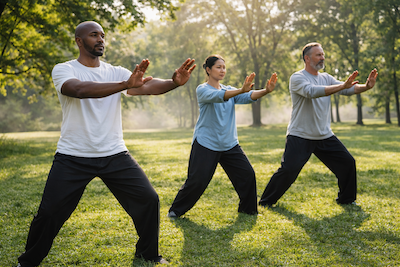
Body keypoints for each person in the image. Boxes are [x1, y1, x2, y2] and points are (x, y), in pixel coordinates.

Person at [17, 21, 196, 267]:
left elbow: (148, 87)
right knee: (49, 213)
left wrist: (173, 82)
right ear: (79, 41)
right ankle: (28, 262)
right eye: (93, 35)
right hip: (73, 156)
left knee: (148, 199)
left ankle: (147, 253)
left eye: (102, 35)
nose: (100, 39)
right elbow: (78, 90)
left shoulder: (116, 71)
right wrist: (125, 85)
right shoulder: (64, 69)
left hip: (114, 154)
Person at [259, 42, 378, 208]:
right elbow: (311, 92)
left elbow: (347, 89)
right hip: (300, 135)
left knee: (347, 163)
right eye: (318, 55)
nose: (322, 58)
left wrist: (366, 86)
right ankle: (266, 201)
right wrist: (342, 86)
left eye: (323, 54)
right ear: (307, 58)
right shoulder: (297, 77)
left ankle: (347, 199)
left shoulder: (326, 77)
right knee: (288, 170)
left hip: (324, 135)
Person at [168, 55, 278, 218]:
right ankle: (175, 211)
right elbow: (221, 97)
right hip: (206, 143)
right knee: (197, 181)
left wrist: (266, 91)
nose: (222, 70)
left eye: (224, 67)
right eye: (218, 67)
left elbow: (247, 97)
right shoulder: (203, 90)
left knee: (247, 175)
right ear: (208, 69)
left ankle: (248, 210)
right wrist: (241, 90)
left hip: (229, 144)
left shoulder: (229, 89)